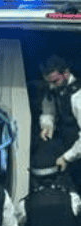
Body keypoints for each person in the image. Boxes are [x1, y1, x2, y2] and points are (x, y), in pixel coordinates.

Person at [39, 54, 81, 191]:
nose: (51, 87)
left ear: (66, 73)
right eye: (48, 83)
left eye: (54, 81)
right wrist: (47, 125)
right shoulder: (55, 88)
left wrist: (67, 158)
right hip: (66, 145)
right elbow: (48, 108)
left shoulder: (78, 97)